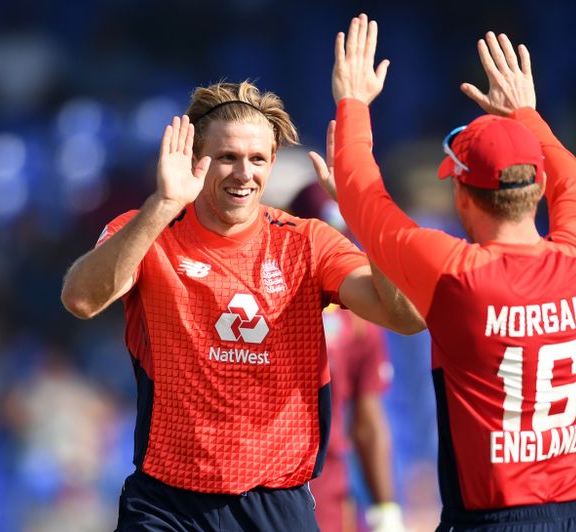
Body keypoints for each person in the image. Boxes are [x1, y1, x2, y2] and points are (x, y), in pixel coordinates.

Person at [60, 80, 424, 531]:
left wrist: (368, 220)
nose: (243, 173)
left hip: (274, 505)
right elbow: (80, 299)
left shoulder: (307, 243)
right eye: (227, 157)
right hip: (167, 504)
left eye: (257, 159)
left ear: (272, 162)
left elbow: (407, 318)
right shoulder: (150, 230)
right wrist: (164, 204)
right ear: (196, 159)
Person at [329, 14, 576, 530]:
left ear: (461, 194)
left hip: (491, 522)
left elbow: (358, 195)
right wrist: (526, 114)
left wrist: (353, 103)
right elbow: (572, 182)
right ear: (535, 186)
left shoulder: (456, 275)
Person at [289, 183, 405, 532]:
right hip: (256, 481)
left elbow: (367, 421)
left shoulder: (359, 322)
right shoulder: (262, 300)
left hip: (325, 491)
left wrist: (386, 509)